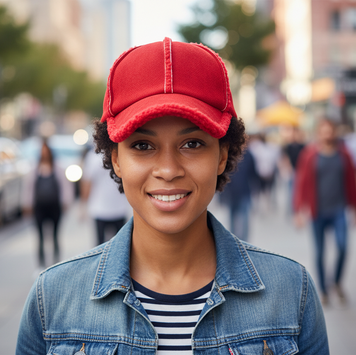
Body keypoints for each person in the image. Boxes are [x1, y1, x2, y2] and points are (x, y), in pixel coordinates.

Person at [17, 38, 328, 354]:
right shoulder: (53, 298)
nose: (168, 170)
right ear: (116, 159)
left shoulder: (290, 292)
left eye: (192, 144)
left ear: (222, 155)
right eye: (142, 146)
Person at [294, 119, 356, 306]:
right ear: (318, 133)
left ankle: (337, 282)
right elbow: (301, 183)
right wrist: (298, 210)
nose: (327, 134)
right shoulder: (309, 155)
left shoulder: (344, 154)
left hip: (339, 210)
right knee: (320, 252)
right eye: (323, 131)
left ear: (335, 132)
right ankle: (324, 290)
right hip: (318, 212)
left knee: (342, 247)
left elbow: (353, 183)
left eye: (330, 131)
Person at [23, 139, 73, 269]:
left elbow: (65, 186)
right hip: (39, 207)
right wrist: (27, 203)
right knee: (40, 237)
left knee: (55, 235)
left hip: (54, 206)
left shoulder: (57, 168)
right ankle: (41, 264)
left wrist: (66, 201)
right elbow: (29, 187)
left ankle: (57, 263)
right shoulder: (35, 169)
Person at [80, 149, 131, 245]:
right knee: (120, 245)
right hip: (112, 208)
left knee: (101, 245)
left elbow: (87, 183)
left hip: (106, 208)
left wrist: (83, 205)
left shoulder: (92, 157)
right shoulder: (120, 154)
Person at [219, 145, 258, 241]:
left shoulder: (248, 155)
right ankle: (234, 240)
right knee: (233, 217)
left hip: (243, 192)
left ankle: (244, 241)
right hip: (232, 192)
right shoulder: (229, 155)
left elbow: (253, 174)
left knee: (243, 217)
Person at [281, 127, 306, 215]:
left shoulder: (303, 146)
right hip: (292, 171)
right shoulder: (288, 146)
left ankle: (299, 208)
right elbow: (285, 158)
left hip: (301, 171)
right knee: (291, 191)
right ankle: (292, 210)